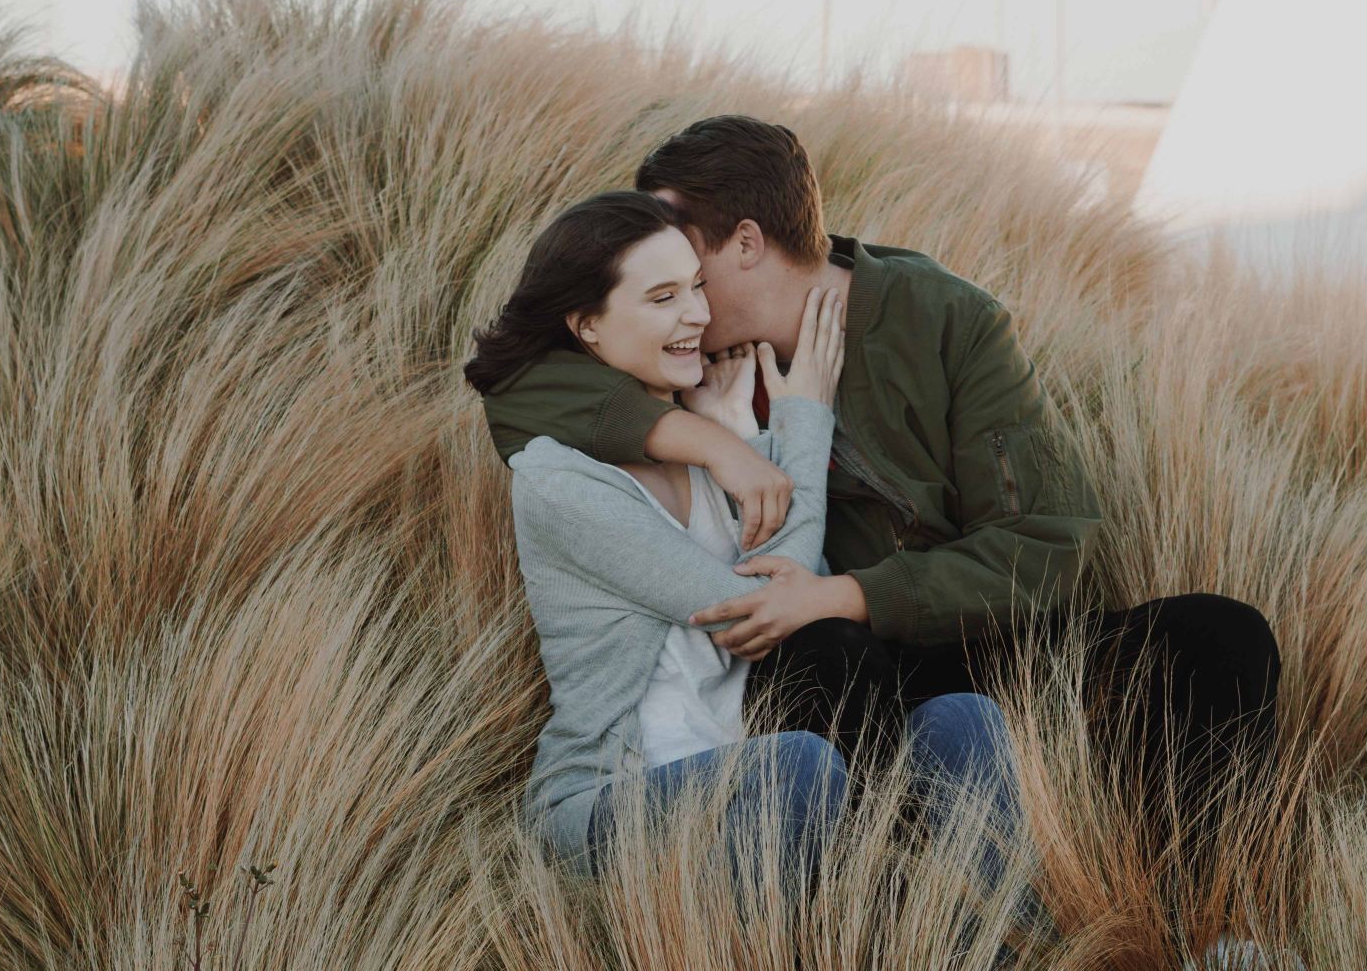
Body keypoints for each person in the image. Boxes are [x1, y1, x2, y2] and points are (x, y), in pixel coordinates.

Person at [473, 116, 1284, 869]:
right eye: (660, 282)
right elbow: (512, 392)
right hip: (803, 677)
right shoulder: (680, 361)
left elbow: (1047, 543)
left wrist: (852, 593)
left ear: (746, 243)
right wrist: (715, 439)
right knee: (825, 653)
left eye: (686, 259)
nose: (675, 283)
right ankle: (892, 898)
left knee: (1219, 635)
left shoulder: (944, 319)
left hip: (953, 636)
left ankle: (1194, 916)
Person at [462, 190, 1026, 910]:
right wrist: (803, 412)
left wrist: (740, 438)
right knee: (801, 767)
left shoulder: (704, 452)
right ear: (589, 327)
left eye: (696, 287)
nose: (697, 314)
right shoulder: (557, 481)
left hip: (749, 761)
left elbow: (798, 580)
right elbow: (751, 613)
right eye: (662, 297)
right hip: (613, 800)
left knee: (964, 720)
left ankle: (1008, 943)